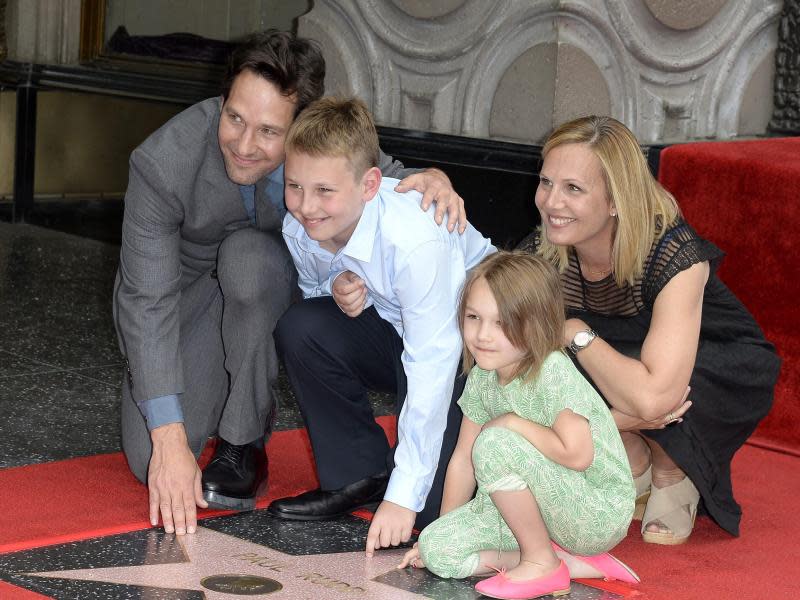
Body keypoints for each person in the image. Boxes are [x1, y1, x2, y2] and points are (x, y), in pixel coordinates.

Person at [113, 30, 467, 538]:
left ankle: (243, 442)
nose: (243, 143)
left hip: (283, 288)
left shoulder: (319, 151)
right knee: (150, 455)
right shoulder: (160, 163)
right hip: (186, 302)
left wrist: (432, 178)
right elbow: (146, 299)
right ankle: (220, 404)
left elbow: (383, 179)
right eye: (234, 117)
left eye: (268, 131)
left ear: (303, 125)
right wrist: (169, 438)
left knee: (249, 260)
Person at [518, 115, 780, 544]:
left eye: (573, 189)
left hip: (713, 363)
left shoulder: (674, 254)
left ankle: (671, 468)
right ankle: (632, 453)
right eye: (546, 182)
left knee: (652, 380)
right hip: (621, 368)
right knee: (552, 369)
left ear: (616, 200)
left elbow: (658, 395)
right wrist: (625, 418)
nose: (550, 202)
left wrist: (576, 330)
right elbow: (511, 369)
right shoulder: (541, 254)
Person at [268, 97, 496, 555]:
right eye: (294, 186)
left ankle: (475, 468)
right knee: (302, 327)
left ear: (371, 184)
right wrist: (336, 285)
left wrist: (403, 496)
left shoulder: (414, 240)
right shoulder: (301, 227)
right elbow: (315, 295)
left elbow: (433, 362)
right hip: (398, 331)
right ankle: (356, 472)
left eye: (324, 191)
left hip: (472, 350)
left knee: (427, 512)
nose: (306, 206)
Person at [397, 251, 637, 599]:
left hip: (593, 510)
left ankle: (542, 563)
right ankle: (557, 558)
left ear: (537, 323)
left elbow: (578, 455)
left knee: (494, 441)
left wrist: (511, 422)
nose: (482, 335)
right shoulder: (483, 376)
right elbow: (463, 459)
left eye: (502, 323)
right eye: (473, 317)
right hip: (531, 510)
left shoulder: (552, 370)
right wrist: (446, 527)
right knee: (437, 548)